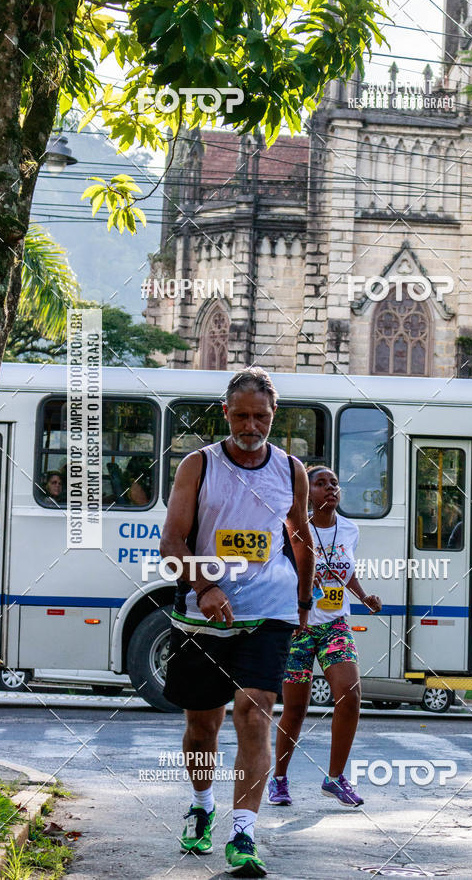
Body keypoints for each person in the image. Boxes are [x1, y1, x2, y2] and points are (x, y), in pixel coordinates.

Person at [160, 367, 314, 878]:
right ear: (226, 413)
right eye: (243, 415)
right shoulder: (198, 465)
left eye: (262, 417)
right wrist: (204, 586)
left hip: (267, 612)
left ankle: (244, 831)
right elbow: (172, 542)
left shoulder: (291, 469)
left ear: (274, 416)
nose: (252, 426)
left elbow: (300, 538)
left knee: (254, 712)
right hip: (203, 618)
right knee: (202, 728)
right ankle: (202, 804)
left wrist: (303, 603)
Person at [268, 465, 381, 808]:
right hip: (298, 626)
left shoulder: (349, 529)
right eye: (321, 483)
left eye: (334, 483)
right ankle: (279, 779)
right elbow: (275, 571)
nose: (330, 488)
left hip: (334, 623)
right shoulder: (291, 529)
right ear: (307, 492)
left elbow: (346, 572)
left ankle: (334, 777)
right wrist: (302, 581)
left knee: (350, 693)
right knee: (296, 708)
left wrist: (364, 597)